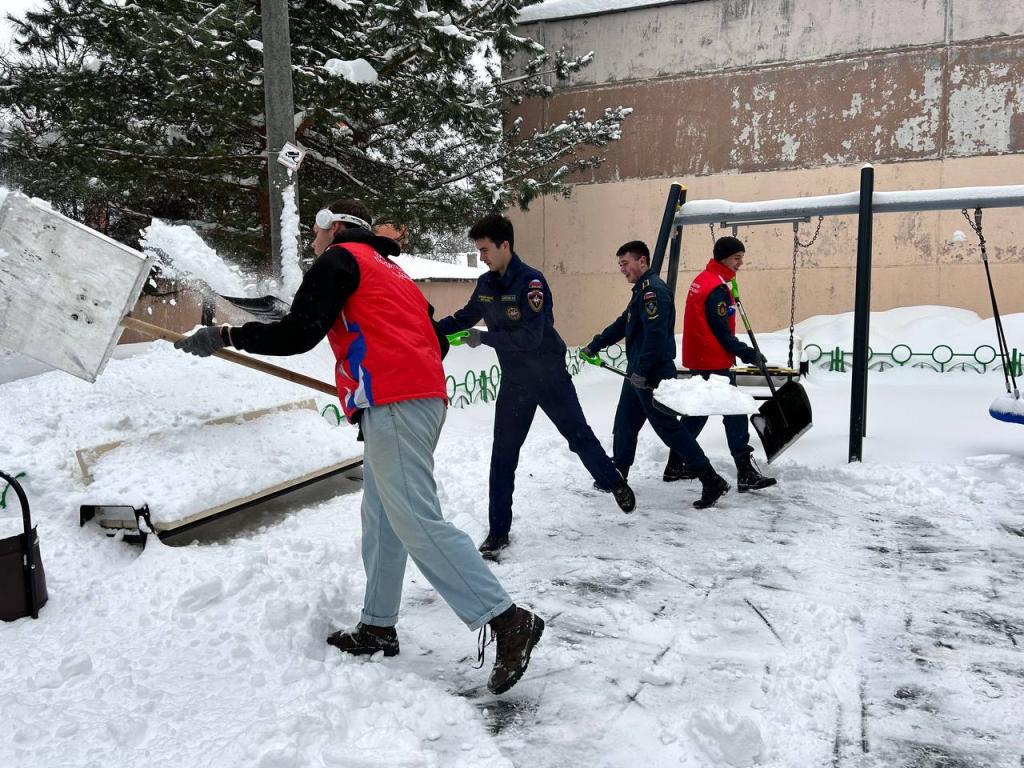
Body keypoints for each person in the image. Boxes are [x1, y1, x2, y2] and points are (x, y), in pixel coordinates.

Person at [173, 199, 542, 695]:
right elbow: (436, 340)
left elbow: (298, 333)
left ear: (337, 228)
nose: (312, 241)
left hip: (395, 401)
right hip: (418, 398)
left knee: (413, 517)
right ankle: (377, 625)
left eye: (315, 232)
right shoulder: (390, 270)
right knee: (384, 518)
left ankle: (506, 618)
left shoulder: (340, 259)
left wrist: (227, 334)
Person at [436, 213, 635, 558]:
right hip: (516, 381)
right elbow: (467, 315)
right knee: (503, 455)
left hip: (548, 374)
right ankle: (498, 531)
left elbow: (531, 337)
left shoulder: (531, 283)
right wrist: (432, 328)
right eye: (479, 250)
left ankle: (613, 480)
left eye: (484, 250)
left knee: (578, 436)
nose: (481, 256)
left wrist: (482, 339)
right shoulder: (486, 285)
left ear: (505, 245)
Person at [582, 241, 731, 509]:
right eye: (620, 265)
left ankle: (711, 479)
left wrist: (641, 371)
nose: (622, 269)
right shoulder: (641, 291)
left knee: (669, 429)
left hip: (652, 374)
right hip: (637, 372)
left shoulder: (654, 292)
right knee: (625, 423)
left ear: (642, 261)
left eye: (625, 263)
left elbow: (655, 336)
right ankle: (619, 475)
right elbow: (623, 322)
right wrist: (597, 343)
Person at [663, 236, 776, 492]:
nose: (741, 263)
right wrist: (750, 354)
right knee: (735, 412)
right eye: (737, 258)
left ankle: (675, 463)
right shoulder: (715, 289)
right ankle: (745, 472)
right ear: (724, 257)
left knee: (698, 412)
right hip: (713, 361)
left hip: (701, 358)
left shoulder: (705, 280)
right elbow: (722, 334)